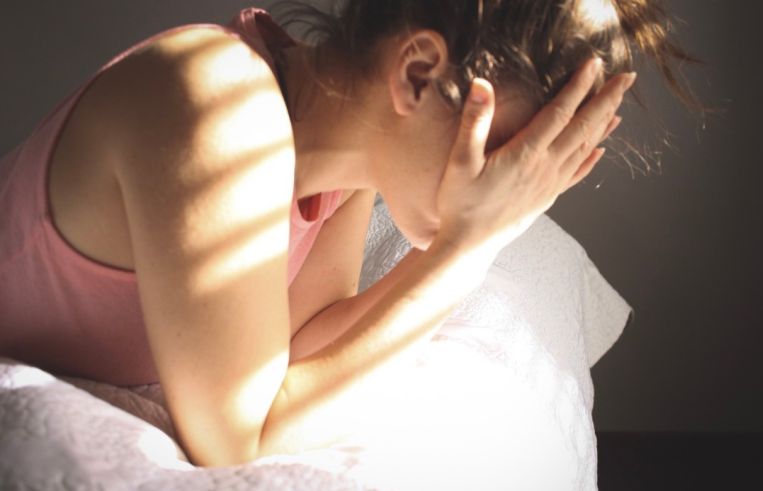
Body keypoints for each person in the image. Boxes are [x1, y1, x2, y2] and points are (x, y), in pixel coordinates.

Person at [0, 0, 703, 467]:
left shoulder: (340, 167)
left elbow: (306, 348)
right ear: (419, 73)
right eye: (510, 150)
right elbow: (241, 438)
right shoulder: (217, 102)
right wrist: (470, 243)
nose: (514, 184)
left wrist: (476, 236)